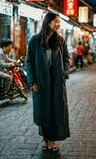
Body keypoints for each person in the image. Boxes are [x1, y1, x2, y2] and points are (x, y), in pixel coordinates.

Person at [26, 12, 70, 152]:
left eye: (59, 22)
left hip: (56, 81)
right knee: (43, 111)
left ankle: (52, 140)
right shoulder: (35, 40)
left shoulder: (60, 41)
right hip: (41, 81)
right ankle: (45, 138)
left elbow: (67, 59)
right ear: (48, 22)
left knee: (55, 110)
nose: (59, 24)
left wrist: (64, 73)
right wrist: (32, 81)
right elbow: (29, 62)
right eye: (56, 21)